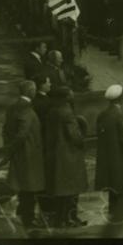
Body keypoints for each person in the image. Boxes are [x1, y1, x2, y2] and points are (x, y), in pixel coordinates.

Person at [2, 80, 45, 228]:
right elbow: (23, 133)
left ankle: (22, 212)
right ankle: (29, 218)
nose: (35, 91)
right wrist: (13, 147)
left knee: (23, 184)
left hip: (20, 153)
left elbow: (6, 129)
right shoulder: (26, 108)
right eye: (33, 89)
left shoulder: (13, 107)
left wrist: (8, 148)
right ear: (30, 92)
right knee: (30, 187)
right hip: (29, 153)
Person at [46, 87, 88, 228]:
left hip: (56, 155)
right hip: (69, 156)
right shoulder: (67, 112)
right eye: (70, 94)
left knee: (61, 190)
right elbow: (74, 136)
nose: (73, 95)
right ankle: (71, 219)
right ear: (65, 97)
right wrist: (83, 140)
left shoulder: (52, 111)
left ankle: (60, 219)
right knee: (72, 189)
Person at [95, 85, 123, 219]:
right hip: (118, 157)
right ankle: (119, 211)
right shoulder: (119, 116)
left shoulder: (102, 115)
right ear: (120, 99)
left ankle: (111, 209)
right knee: (120, 184)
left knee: (110, 184)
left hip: (105, 158)